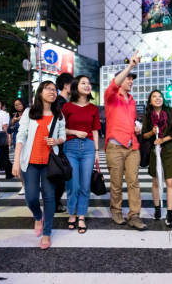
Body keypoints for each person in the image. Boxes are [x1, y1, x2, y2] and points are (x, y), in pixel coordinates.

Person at [12, 80, 66, 249]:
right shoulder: (29, 112)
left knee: (50, 198)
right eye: (48, 89)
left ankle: (47, 233)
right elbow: (20, 137)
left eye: (54, 90)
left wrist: (56, 140)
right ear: (40, 92)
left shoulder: (59, 115)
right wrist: (16, 162)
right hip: (30, 162)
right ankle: (37, 216)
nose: (52, 92)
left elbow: (63, 135)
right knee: (31, 198)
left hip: (50, 163)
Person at [104, 50, 147, 231]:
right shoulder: (111, 97)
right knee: (116, 183)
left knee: (133, 182)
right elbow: (114, 85)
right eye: (128, 78)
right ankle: (116, 211)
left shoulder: (132, 100)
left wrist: (136, 127)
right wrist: (130, 65)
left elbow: (129, 121)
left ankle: (134, 215)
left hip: (132, 147)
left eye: (132, 78)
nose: (131, 81)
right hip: (115, 146)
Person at [62, 75, 101, 234]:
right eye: (83, 83)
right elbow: (60, 129)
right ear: (76, 86)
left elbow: (95, 131)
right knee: (73, 184)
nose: (87, 85)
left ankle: (81, 215)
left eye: (89, 83)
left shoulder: (93, 108)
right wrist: (75, 132)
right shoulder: (67, 107)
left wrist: (97, 152)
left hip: (88, 148)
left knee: (85, 185)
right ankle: (72, 212)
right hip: (70, 146)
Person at [142, 90, 172, 226]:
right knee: (156, 182)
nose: (158, 98)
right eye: (154, 96)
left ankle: (169, 213)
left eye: (160, 96)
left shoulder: (170, 112)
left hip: (169, 151)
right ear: (150, 101)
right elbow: (144, 135)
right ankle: (157, 209)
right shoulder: (147, 115)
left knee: (170, 183)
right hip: (154, 152)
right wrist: (152, 132)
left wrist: (162, 140)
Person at [55, 73, 74, 213]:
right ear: (67, 85)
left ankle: (55, 203)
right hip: (60, 144)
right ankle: (55, 203)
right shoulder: (62, 103)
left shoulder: (60, 102)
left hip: (59, 144)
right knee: (61, 175)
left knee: (60, 175)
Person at [7, 98, 27, 195]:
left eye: (19, 104)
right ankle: (24, 186)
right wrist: (13, 122)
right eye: (16, 105)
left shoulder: (30, 113)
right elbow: (9, 131)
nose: (18, 106)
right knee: (21, 166)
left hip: (29, 143)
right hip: (18, 144)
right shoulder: (13, 116)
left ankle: (31, 185)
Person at [0, 97, 14, 179]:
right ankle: (8, 173)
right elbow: (5, 126)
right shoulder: (2, 113)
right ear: (0, 103)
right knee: (4, 155)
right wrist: (8, 137)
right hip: (1, 134)